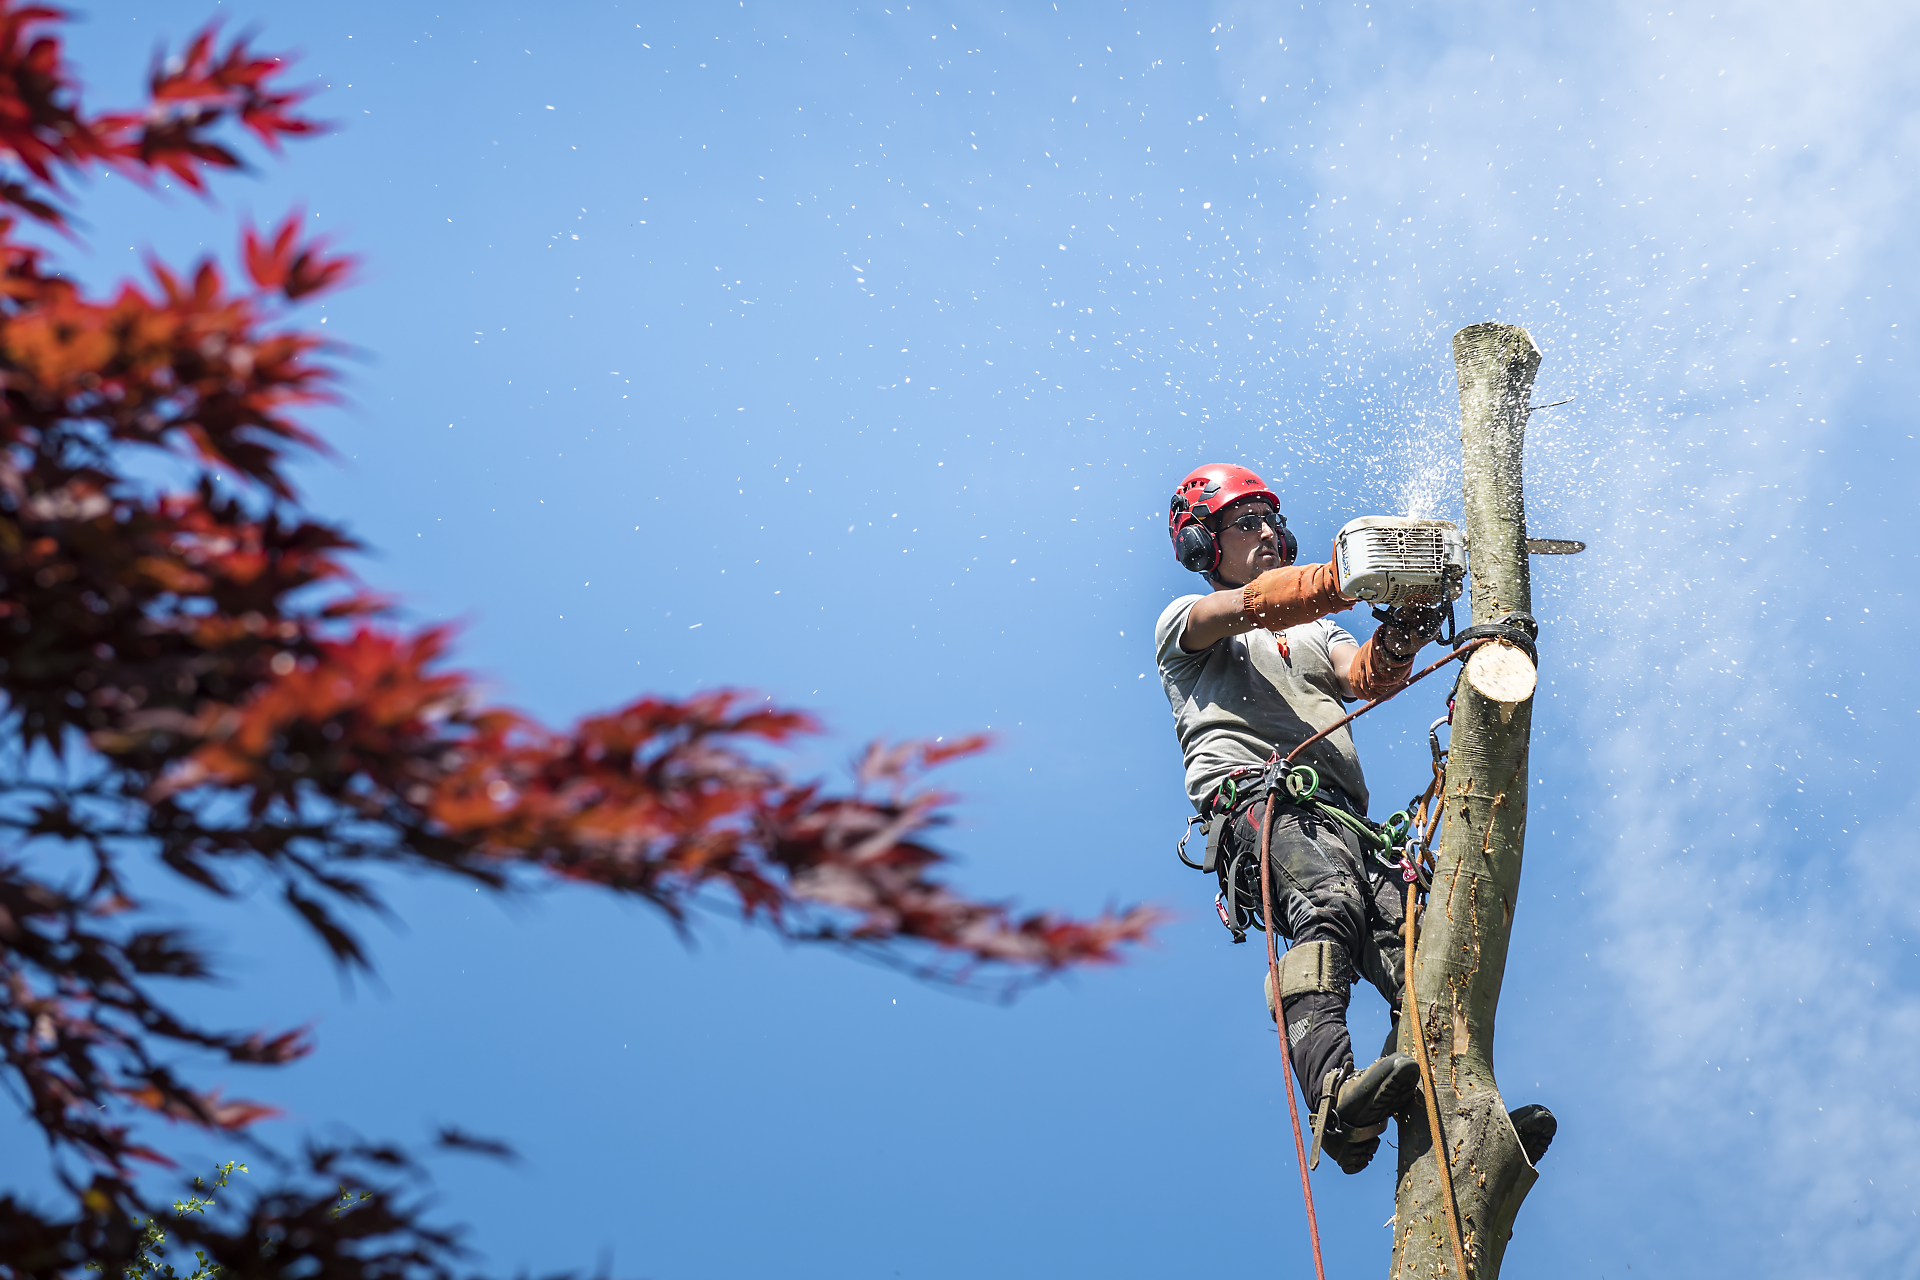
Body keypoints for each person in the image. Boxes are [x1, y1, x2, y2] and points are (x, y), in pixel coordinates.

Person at [1153, 462, 1439, 1174]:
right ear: (1201, 547)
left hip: (1348, 819)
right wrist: (1348, 574)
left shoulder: (1318, 634)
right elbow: (1251, 606)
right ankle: (1335, 1103)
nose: (1269, 534)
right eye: (1246, 523)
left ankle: (1459, 1118)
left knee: (1420, 951)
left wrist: (1404, 624)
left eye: (1273, 522)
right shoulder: (1188, 626)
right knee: (1328, 907)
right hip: (1264, 800)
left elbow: (1367, 675)